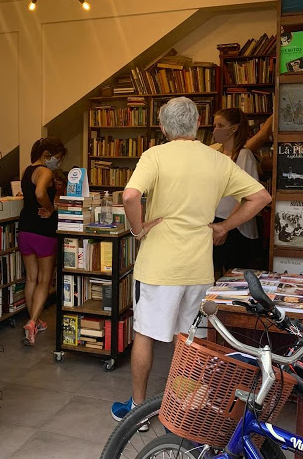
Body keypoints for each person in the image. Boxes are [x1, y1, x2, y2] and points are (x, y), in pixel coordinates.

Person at [111, 97, 271, 422]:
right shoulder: (216, 159)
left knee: (145, 334)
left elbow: (130, 195)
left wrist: (139, 229)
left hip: (158, 265)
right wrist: (223, 226)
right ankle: (185, 409)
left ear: (162, 127)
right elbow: (260, 197)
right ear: (197, 123)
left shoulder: (155, 155)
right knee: (189, 339)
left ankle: (139, 410)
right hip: (199, 266)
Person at [18, 137, 67, 346]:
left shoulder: (27, 170)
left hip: (25, 228)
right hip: (43, 230)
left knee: (31, 278)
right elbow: (40, 193)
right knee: (45, 279)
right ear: (46, 154)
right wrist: (51, 208)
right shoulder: (45, 172)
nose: (58, 163)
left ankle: (35, 320)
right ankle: (31, 321)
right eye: (57, 158)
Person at [211, 108, 261, 272]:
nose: (216, 130)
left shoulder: (243, 155)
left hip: (236, 225)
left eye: (221, 125)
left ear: (233, 128)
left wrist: (227, 226)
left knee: (235, 275)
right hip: (215, 221)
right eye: (215, 125)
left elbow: (247, 197)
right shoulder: (215, 155)